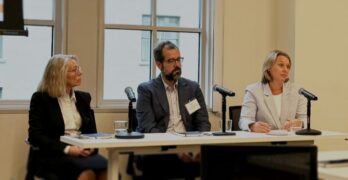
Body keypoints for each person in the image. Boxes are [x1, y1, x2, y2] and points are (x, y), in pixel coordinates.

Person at [136, 41, 211, 179]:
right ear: (159, 65)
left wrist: (199, 147)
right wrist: (176, 148)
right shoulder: (146, 90)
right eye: (171, 61)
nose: (177, 65)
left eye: (178, 59)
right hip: (160, 149)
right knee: (161, 162)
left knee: (218, 159)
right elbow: (148, 128)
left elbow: (203, 122)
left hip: (190, 145)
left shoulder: (192, 88)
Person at [27, 54, 107, 180]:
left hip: (82, 152)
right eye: (75, 70)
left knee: (107, 169)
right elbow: (35, 136)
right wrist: (68, 149)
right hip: (55, 153)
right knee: (88, 174)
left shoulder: (84, 98)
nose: (80, 73)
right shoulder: (41, 98)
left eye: (79, 69)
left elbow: (92, 133)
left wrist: (90, 147)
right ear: (58, 74)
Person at [239, 50, 307, 133]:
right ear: (269, 68)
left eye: (288, 66)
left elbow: (305, 119)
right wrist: (252, 126)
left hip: (290, 141)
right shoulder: (253, 90)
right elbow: (244, 120)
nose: (285, 69)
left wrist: (300, 122)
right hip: (263, 141)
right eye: (281, 65)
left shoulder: (297, 90)